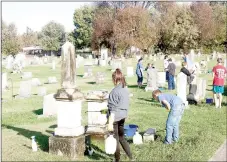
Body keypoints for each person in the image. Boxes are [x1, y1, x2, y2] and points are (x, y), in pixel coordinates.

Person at [107, 69, 132, 162]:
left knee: (115, 139)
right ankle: (131, 157)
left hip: (115, 117)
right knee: (122, 138)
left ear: (115, 79)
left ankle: (117, 159)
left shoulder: (114, 91)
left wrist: (110, 121)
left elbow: (112, 108)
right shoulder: (125, 88)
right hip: (123, 116)